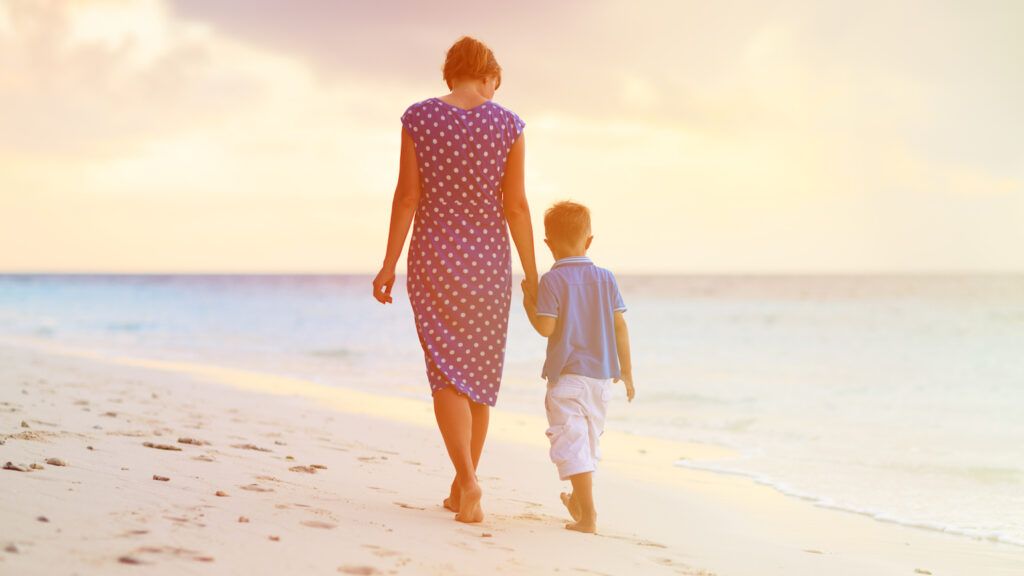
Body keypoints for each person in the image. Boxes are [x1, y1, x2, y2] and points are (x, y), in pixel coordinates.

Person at [372, 36, 539, 524]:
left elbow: (407, 197)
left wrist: (388, 263)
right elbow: (516, 207)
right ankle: (463, 482)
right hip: (488, 264)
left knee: (447, 371)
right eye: (495, 83)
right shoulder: (508, 124)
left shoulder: (419, 117)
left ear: (451, 72)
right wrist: (531, 274)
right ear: (488, 75)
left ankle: (464, 483)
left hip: (435, 259)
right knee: (480, 377)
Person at [522, 201, 635, 534]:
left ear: (548, 244)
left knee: (571, 443)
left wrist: (529, 301)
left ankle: (588, 516)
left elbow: (546, 329)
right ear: (588, 241)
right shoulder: (605, 278)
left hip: (569, 378)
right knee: (586, 443)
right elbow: (620, 327)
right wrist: (626, 371)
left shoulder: (553, 281)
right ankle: (578, 502)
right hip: (602, 380)